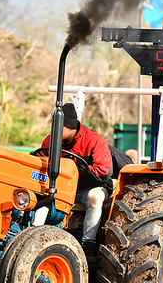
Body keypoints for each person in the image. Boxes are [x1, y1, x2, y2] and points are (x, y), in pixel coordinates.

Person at [41, 103, 112, 259]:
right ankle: (38, 236)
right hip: (61, 188)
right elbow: (42, 160)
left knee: (95, 197)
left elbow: (102, 170)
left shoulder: (94, 141)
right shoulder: (50, 141)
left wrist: (81, 170)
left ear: (69, 126)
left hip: (90, 187)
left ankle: (89, 244)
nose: (54, 131)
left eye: (58, 126)